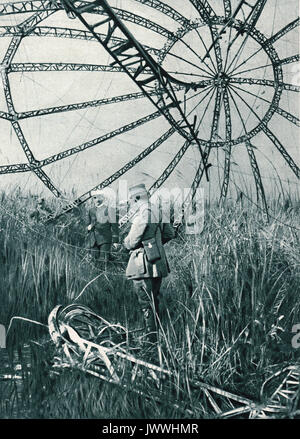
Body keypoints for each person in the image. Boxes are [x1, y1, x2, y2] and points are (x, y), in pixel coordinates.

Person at [123, 183, 175, 344]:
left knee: (145, 302)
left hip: (142, 264)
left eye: (131, 201)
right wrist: (154, 244)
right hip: (157, 262)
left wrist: (126, 244)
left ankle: (150, 340)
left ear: (137, 198)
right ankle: (156, 336)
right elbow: (169, 233)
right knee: (154, 299)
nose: (130, 204)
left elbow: (132, 241)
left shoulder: (142, 213)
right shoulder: (159, 211)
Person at [87, 190, 119, 262]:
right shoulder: (91, 210)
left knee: (104, 261)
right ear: (92, 199)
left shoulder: (110, 210)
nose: (97, 200)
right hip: (93, 240)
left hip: (105, 240)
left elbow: (114, 226)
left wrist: (115, 241)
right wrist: (89, 228)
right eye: (95, 198)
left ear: (103, 198)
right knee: (94, 261)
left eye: (99, 198)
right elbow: (88, 224)